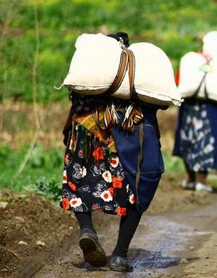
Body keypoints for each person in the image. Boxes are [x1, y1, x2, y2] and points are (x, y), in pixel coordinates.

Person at [60, 32, 165, 272]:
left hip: (86, 137)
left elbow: (76, 100)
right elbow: (161, 102)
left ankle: (87, 230)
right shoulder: (135, 76)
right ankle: (120, 255)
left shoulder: (88, 79)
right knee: (136, 190)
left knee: (79, 184)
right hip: (124, 141)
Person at [173, 31, 217, 192]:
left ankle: (189, 178)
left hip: (189, 104)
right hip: (214, 108)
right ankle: (202, 180)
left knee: (187, 138)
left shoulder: (191, 59)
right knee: (210, 141)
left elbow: (178, 81)